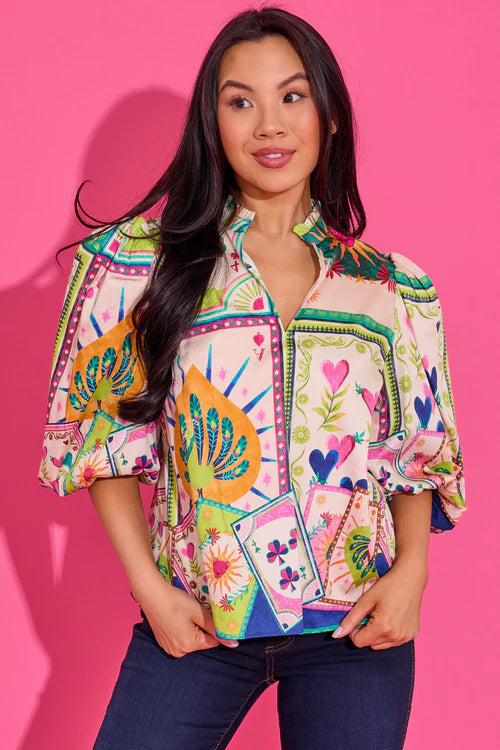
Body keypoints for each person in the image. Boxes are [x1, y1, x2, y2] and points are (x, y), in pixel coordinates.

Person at [37, 6, 467, 749]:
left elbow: (415, 451)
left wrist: (413, 573)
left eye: (292, 96)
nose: (270, 125)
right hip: (201, 621)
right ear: (213, 124)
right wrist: (151, 591)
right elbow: (104, 438)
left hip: (354, 629)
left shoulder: (389, 288)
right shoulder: (139, 265)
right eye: (241, 102)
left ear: (330, 114)